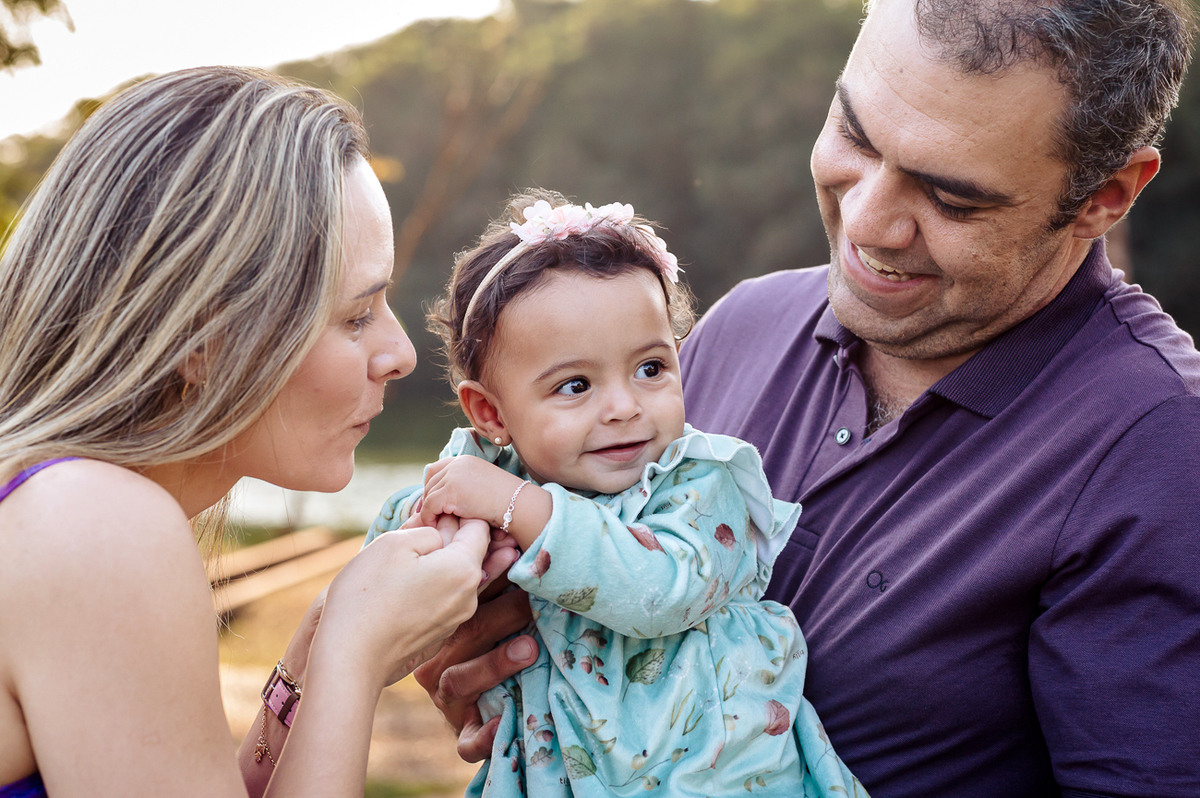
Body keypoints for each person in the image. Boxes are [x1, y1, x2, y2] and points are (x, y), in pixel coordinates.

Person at [412, 1, 1200, 797]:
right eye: (855, 134)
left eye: (952, 198)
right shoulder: (740, 325)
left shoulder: (1159, 448)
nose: (868, 222)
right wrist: (513, 669)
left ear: (1105, 196)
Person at [0, 66, 500, 798]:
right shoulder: (95, 527)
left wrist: (312, 654)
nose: (398, 354)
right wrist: (354, 658)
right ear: (205, 340)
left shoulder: (53, 507)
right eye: (355, 315)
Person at [365, 194, 864, 797]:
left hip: (713, 775)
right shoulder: (491, 478)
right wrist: (435, 520)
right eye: (576, 385)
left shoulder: (701, 483)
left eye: (651, 369)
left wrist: (515, 506)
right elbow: (386, 578)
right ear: (491, 413)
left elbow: (658, 592)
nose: (625, 407)